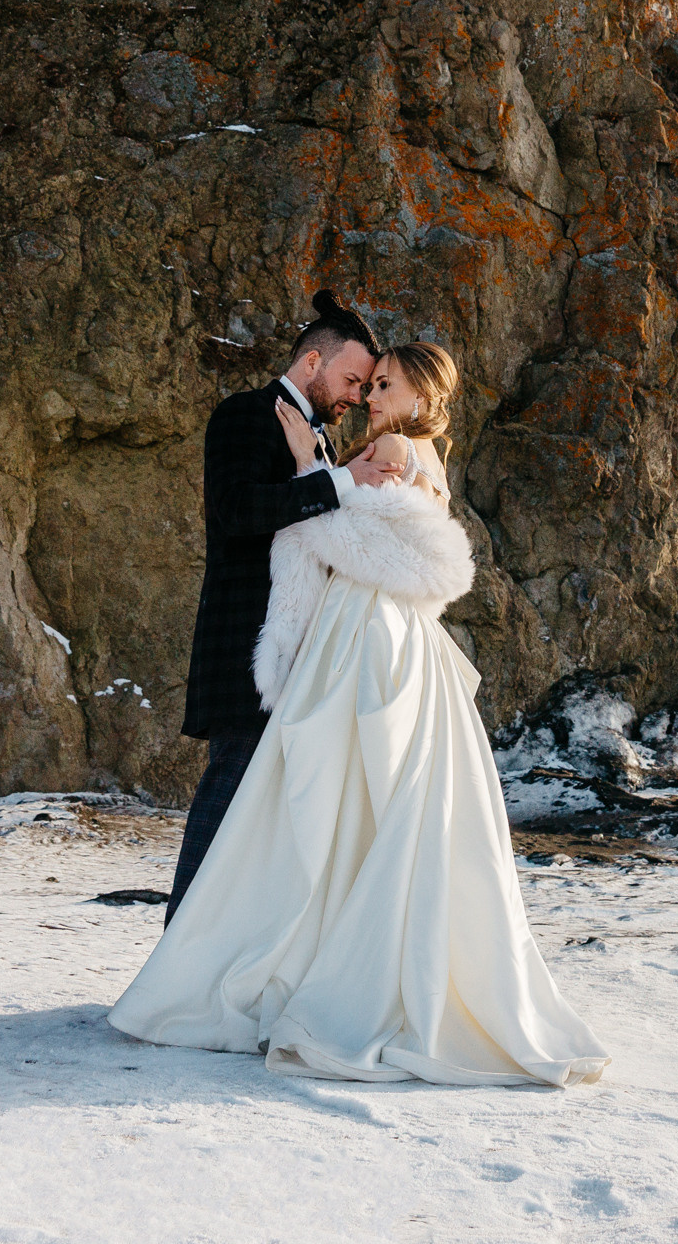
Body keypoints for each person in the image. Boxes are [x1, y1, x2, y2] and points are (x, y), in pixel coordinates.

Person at [112, 340, 608, 1088]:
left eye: (384, 385)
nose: (370, 397)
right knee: (369, 806)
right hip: (399, 637)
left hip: (365, 633)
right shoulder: (431, 454)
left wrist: (313, 470)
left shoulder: (394, 447)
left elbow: (346, 542)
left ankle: (269, 964)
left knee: (314, 800)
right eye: (368, 383)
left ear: (416, 396)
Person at [167, 290, 396, 921]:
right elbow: (237, 512)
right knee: (228, 794)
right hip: (248, 643)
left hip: (295, 654)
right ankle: (173, 969)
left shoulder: (316, 441)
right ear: (312, 363)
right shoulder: (244, 414)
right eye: (352, 379)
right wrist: (341, 482)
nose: (356, 395)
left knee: (265, 820)